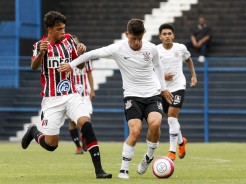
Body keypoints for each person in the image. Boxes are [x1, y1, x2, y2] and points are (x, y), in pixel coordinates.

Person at [58, 19, 173, 179]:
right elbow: (92, 54)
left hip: (152, 94)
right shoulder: (118, 48)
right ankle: (124, 169)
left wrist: (163, 88)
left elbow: (159, 67)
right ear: (127, 35)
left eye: (140, 38)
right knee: (135, 130)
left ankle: (148, 157)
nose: (137, 42)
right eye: (134, 38)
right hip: (132, 96)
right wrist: (71, 65)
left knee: (155, 124)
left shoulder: (151, 49)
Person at [21, 11, 112, 179]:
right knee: (51, 145)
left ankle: (99, 170)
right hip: (51, 99)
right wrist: (41, 53)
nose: (63, 32)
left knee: (86, 123)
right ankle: (34, 131)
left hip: (71, 94)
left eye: (64, 28)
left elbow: (82, 66)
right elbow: (34, 67)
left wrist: (82, 52)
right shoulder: (39, 45)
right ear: (50, 29)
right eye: (59, 29)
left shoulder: (69, 41)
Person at [157, 23, 197, 161]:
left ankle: (171, 151)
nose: (167, 36)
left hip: (178, 86)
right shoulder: (156, 51)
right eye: (164, 34)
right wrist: (163, 77)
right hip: (163, 89)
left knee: (172, 118)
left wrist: (193, 75)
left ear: (173, 35)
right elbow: (150, 70)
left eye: (169, 34)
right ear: (160, 37)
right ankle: (181, 142)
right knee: (170, 119)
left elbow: (188, 60)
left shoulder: (180, 48)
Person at [68, 35, 95, 154]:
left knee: (87, 118)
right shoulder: (65, 56)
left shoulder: (85, 57)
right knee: (72, 121)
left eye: (75, 42)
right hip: (71, 94)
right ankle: (78, 147)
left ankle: (84, 137)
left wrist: (92, 89)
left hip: (84, 94)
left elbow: (89, 73)